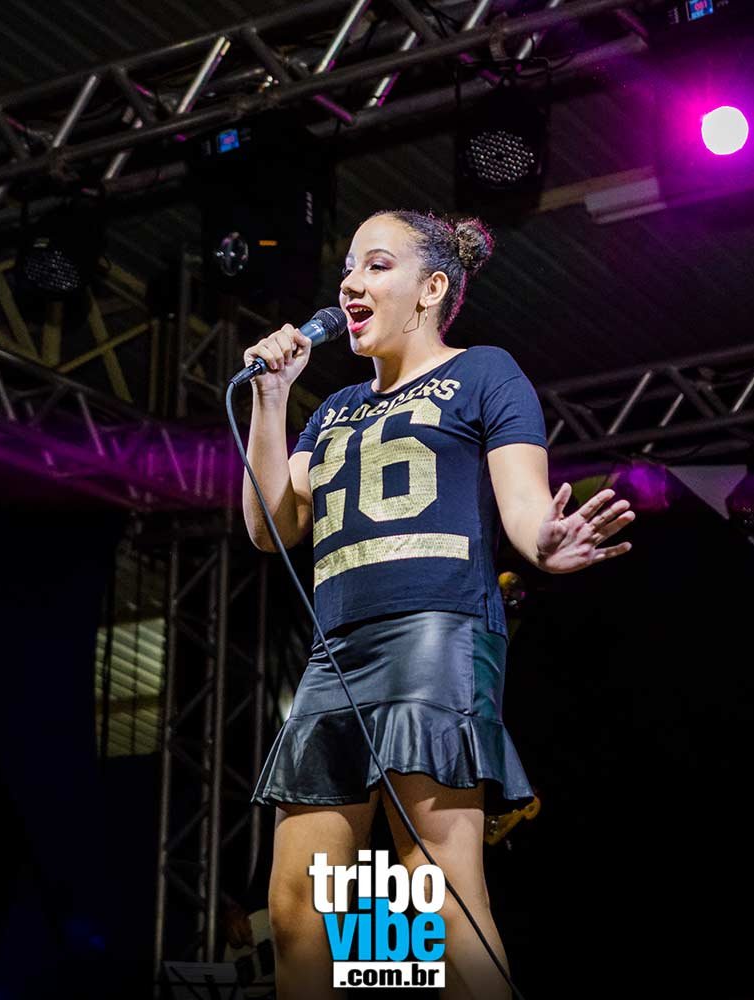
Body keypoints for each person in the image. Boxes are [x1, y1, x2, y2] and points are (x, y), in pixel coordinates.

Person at [239, 209, 635, 998]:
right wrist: (271, 400)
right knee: (295, 911)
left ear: (430, 289)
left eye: (376, 265)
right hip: (334, 653)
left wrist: (547, 543)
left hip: (435, 634)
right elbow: (268, 528)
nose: (351, 283)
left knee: (438, 888)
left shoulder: (484, 372)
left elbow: (525, 507)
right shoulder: (333, 409)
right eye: (348, 268)